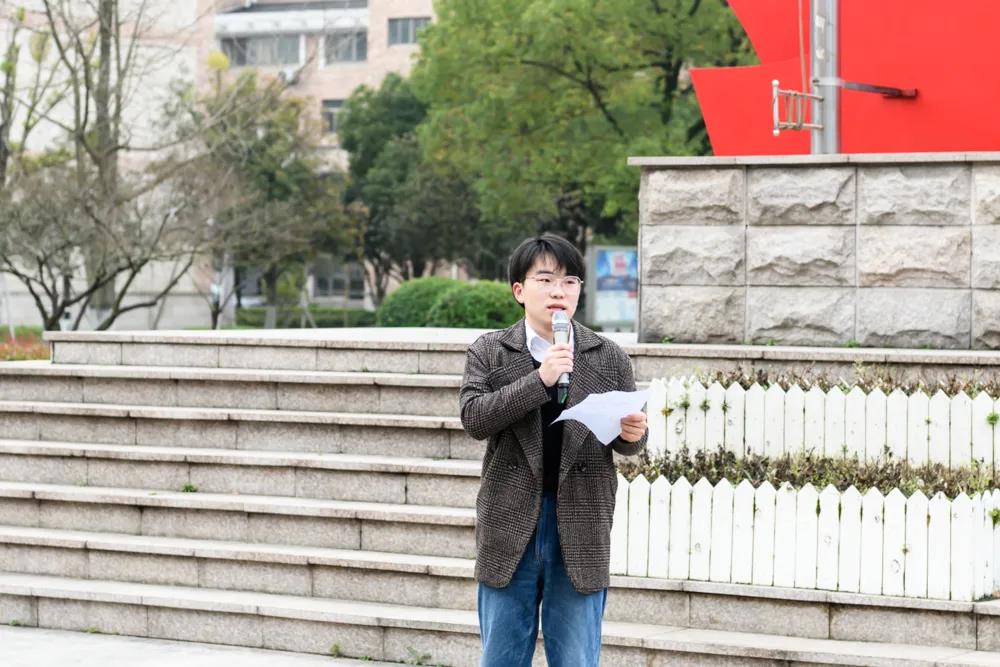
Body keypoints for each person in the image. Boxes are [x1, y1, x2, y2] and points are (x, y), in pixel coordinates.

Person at [459, 233, 648, 666]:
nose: (558, 291)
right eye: (545, 280)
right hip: (510, 520)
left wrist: (632, 433)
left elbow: (628, 440)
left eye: (569, 281)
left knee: (577, 658)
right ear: (519, 290)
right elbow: (474, 418)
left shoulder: (608, 356)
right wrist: (540, 380)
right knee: (502, 656)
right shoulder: (490, 350)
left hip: (582, 521)